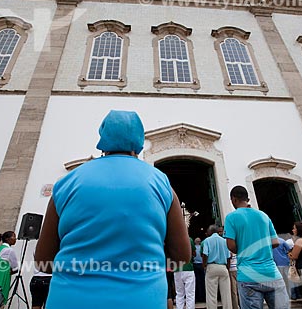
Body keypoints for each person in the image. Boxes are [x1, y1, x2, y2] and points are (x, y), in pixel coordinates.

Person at [34, 110, 191, 309]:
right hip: (142, 300)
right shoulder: (161, 183)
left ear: (103, 140)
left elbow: (42, 261)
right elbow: (181, 256)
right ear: (139, 143)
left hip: (69, 300)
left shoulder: (67, 183)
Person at [224, 185, 289, 309]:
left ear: (234, 199)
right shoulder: (263, 216)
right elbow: (275, 242)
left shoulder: (231, 217)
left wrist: (245, 248)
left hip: (248, 276)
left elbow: (231, 245)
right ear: (247, 199)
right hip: (272, 274)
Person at [202, 224, 231, 309]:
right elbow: (229, 257)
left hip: (211, 266)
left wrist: (204, 265)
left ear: (210, 231)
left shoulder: (207, 240)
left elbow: (205, 254)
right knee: (226, 293)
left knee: (211, 294)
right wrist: (227, 268)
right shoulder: (224, 241)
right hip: (223, 267)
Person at [174, 237, 196, 309]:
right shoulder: (189, 239)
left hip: (177, 268)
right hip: (188, 268)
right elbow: (194, 252)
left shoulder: (173, 239)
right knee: (190, 294)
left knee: (179, 293)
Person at [193, 237, 206, 303]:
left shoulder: (194, 248)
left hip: (195, 265)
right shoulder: (202, 247)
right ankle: (203, 297)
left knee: (196, 282)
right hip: (201, 265)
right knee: (203, 281)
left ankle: (197, 297)